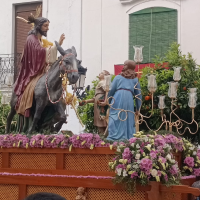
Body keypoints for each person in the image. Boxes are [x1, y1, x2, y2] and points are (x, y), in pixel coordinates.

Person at [14, 14, 65, 132]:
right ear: (39, 26)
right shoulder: (31, 39)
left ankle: (46, 123)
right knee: (35, 91)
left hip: (41, 71)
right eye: (45, 26)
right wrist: (56, 47)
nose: (48, 28)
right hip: (32, 72)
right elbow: (38, 53)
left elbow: (43, 52)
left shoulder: (39, 39)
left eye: (48, 26)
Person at [105, 60, 142, 141]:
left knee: (121, 116)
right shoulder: (133, 80)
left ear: (129, 67)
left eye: (125, 65)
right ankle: (120, 136)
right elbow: (138, 96)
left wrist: (107, 101)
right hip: (126, 99)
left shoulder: (131, 79)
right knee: (118, 116)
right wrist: (138, 109)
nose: (123, 67)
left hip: (119, 99)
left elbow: (111, 91)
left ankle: (118, 137)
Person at [79, 70, 110, 134]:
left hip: (101, 104)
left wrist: (105, 101)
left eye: (101, 73)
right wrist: (87, 101)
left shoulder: (103, 82)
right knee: (101, 122)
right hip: (99, 102)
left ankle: (103, 137)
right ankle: (102, 135)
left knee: (101, 121)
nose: (99, 73)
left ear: (105, 76)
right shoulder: (101, 82)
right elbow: (95, 98)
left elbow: (107, 90)